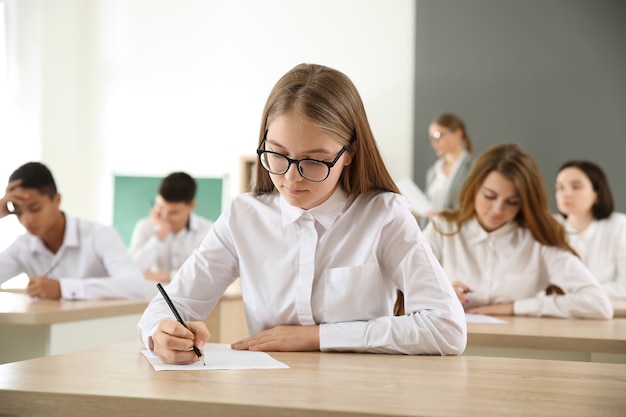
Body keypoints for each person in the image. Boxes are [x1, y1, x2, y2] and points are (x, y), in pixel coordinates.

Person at [138, 63, 467, 364]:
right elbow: (170, 305)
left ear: (350, 152)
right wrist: (161, 335)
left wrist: (318, 337)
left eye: (314, 160)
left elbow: (447, 328)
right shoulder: (243, 216)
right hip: (270, 396)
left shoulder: (384, 215)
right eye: (277, 155)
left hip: (361, 396)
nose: (291, 178)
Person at [423, 144, 613, 319]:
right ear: (473, 189)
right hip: (450, 342)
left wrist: (514, 307)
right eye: (489, 196)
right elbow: (400, 290)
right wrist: (439, 293)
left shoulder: (538, 237)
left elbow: (598, 303)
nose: (497, 209)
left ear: (524, 202)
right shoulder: (443, 228)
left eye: (512, 202)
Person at [0, 162, 145, 300]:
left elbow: (135, 286)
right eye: (18, 212)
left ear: (57, 200)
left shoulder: (99, 235)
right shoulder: (23, 246)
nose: (27, 220)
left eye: (35, 208)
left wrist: (63, 288)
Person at [555, 160, 626, 299]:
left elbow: (624, 288)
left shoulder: (620, 226)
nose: (566, 194)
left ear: (597, 194)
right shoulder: (552, 227)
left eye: (576, 187)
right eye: (560, 187)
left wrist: (575, 293)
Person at [129, 172, 213, 283]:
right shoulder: (144, 226)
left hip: (191, 298)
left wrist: (160, 276)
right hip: (153, 297)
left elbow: (205, 273)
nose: (164, 216)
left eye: (173, 213)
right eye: (160, 207)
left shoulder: (207, 230)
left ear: (191, 206)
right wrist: (160, 236)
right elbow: (132, 270)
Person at [424, 113, 475, 217]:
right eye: (431, 138)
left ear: (458, 134)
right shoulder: (433, 171)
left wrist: (447, 216)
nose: (434, 142)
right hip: (433, 230)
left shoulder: (475, 167)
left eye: (438, 136)